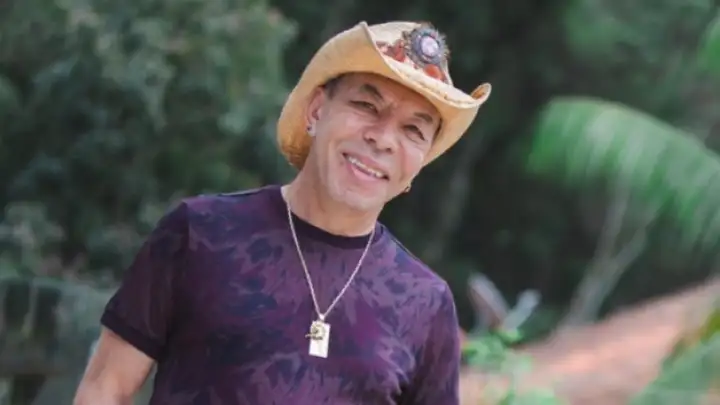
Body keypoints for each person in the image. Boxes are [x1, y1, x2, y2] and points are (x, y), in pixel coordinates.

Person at [73, 20, 490, 405]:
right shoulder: (200, 232)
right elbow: (105, 388)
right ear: (316, 111)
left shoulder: (425, 303)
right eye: (367, 106)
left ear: (420, 161)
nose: (382, 139)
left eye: (413, 130)